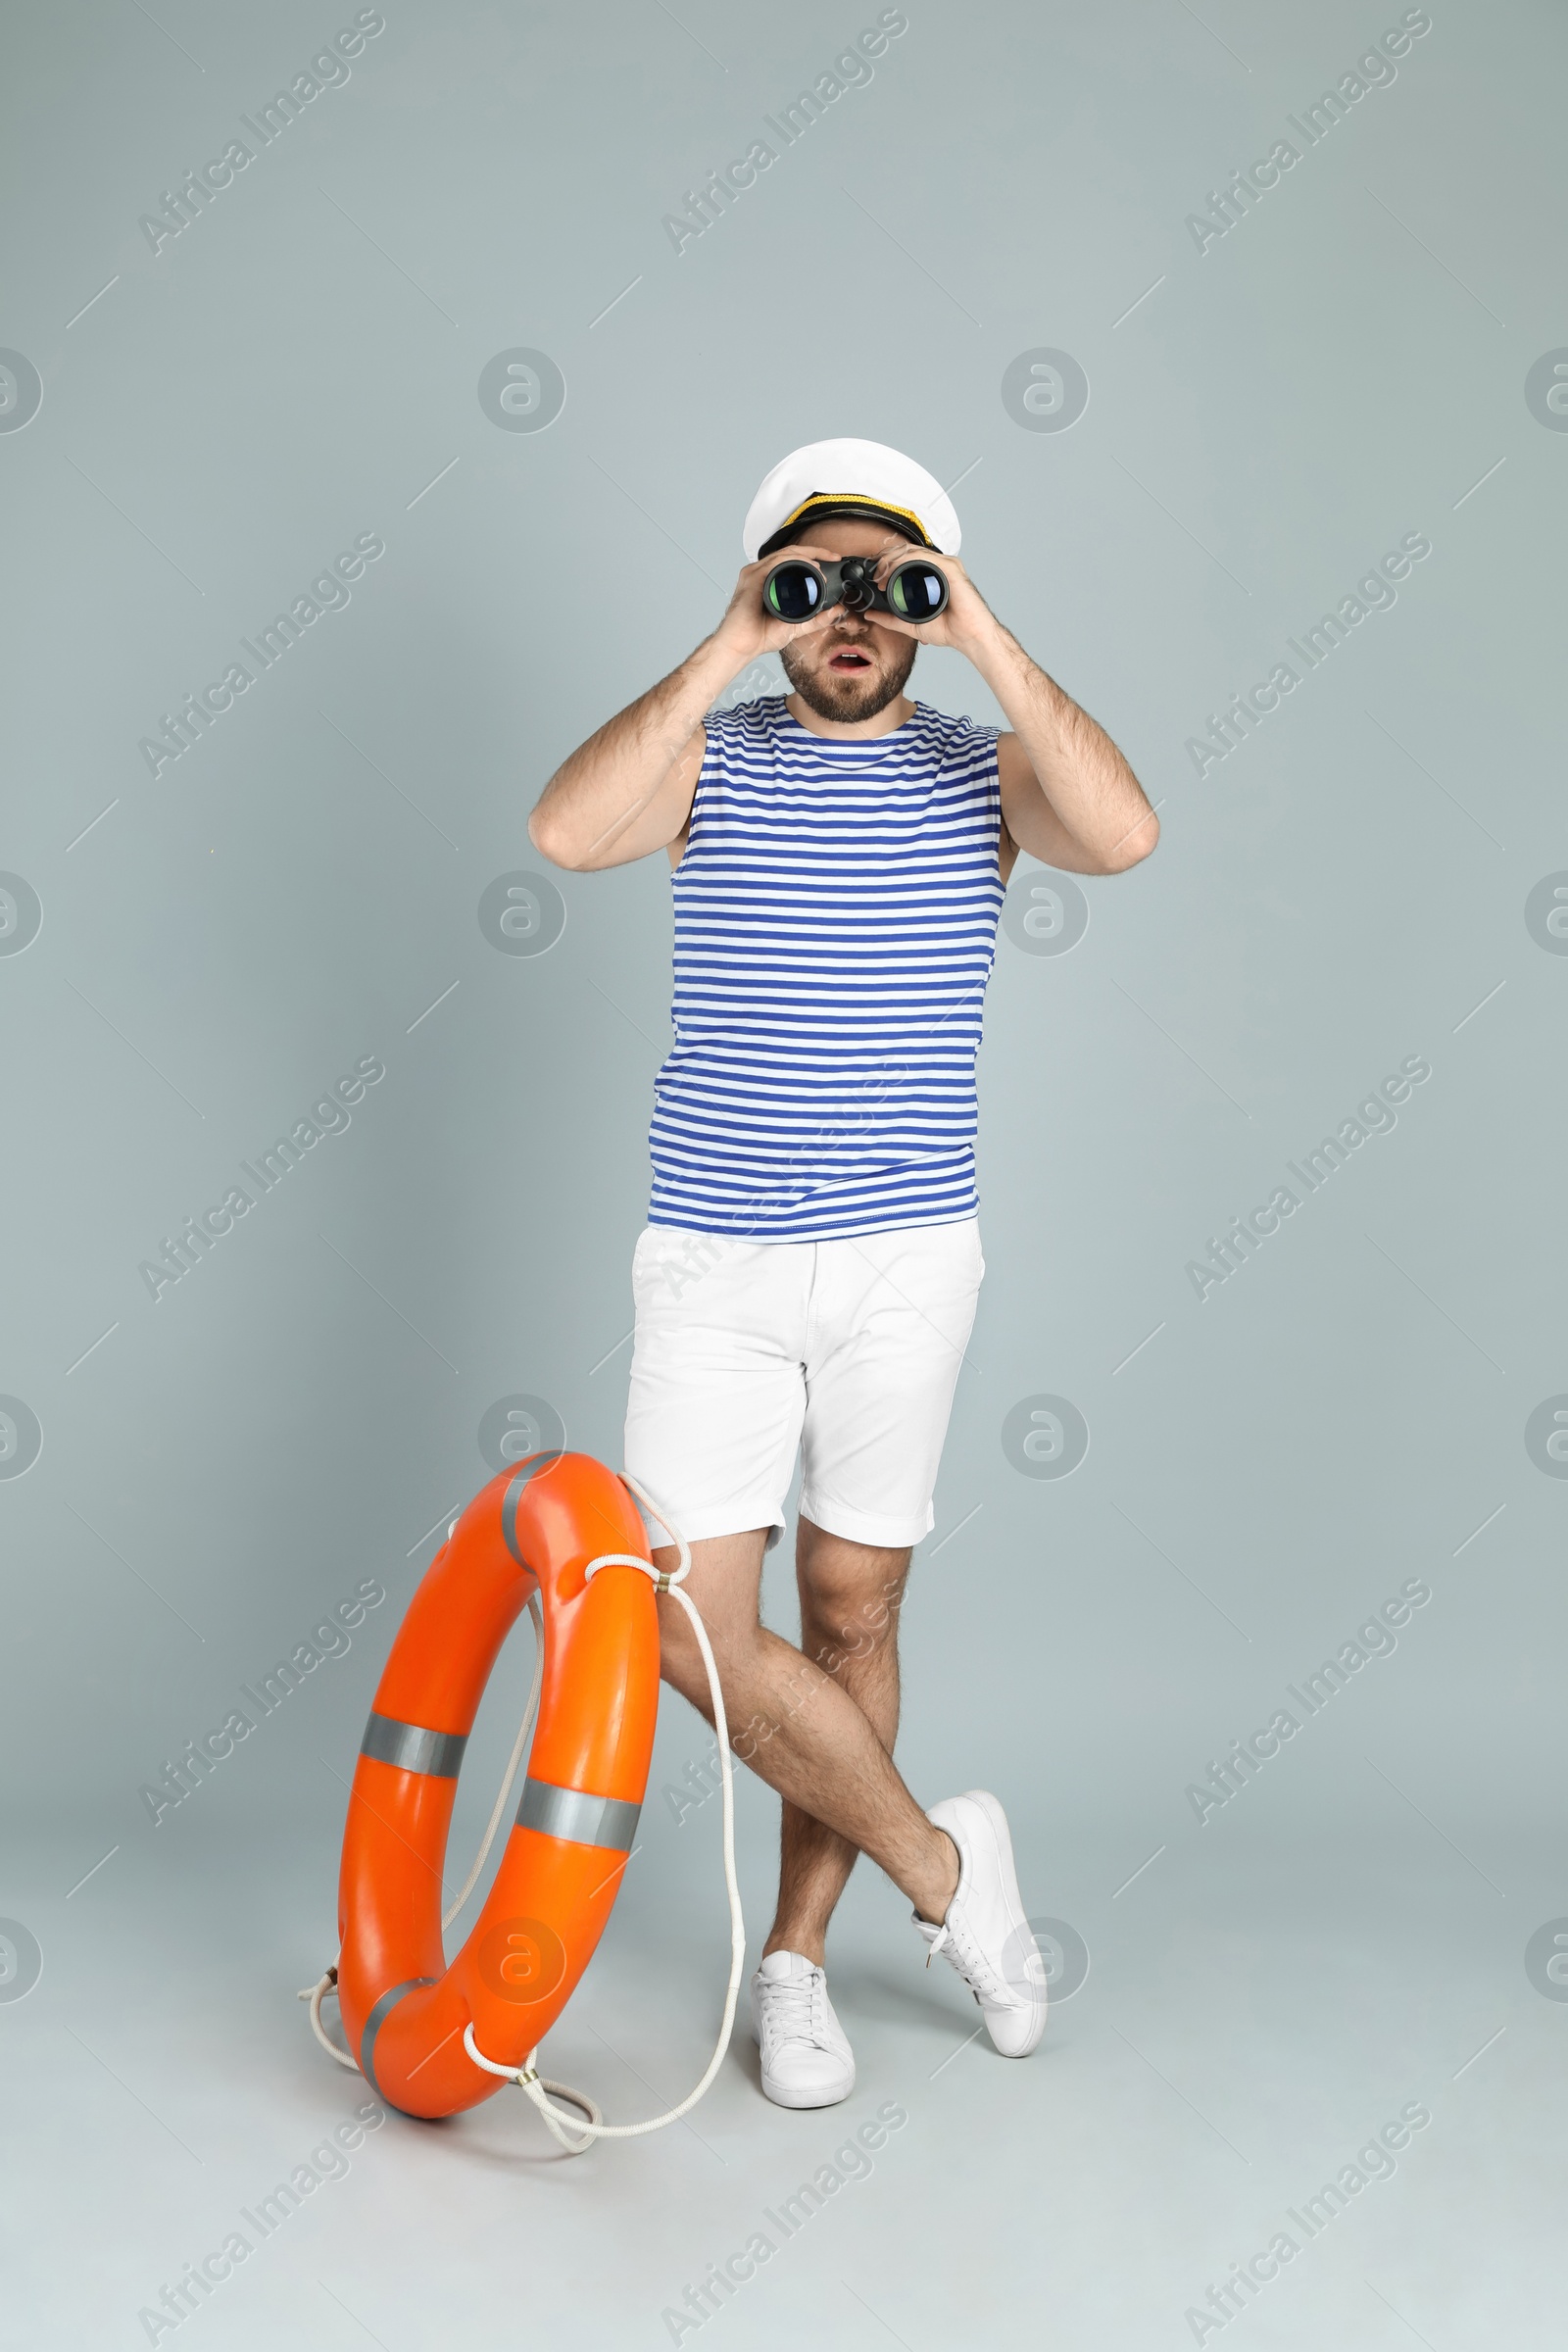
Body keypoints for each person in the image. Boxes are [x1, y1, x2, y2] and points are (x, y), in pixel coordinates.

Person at [528, 438, 1157, 2108]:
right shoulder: (713, 757)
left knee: (852, 1607)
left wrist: (985, 629)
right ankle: (948, 1874)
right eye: (821, 587)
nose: (855, 617)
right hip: (717, 1258)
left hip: (904, 1262)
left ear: (929, 597)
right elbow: (566, 831)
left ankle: (797, 1963)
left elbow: (1126, 832)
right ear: (777, 596)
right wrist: (728, 641)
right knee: (676, 1619)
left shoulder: (977, 767)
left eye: (893, 585)